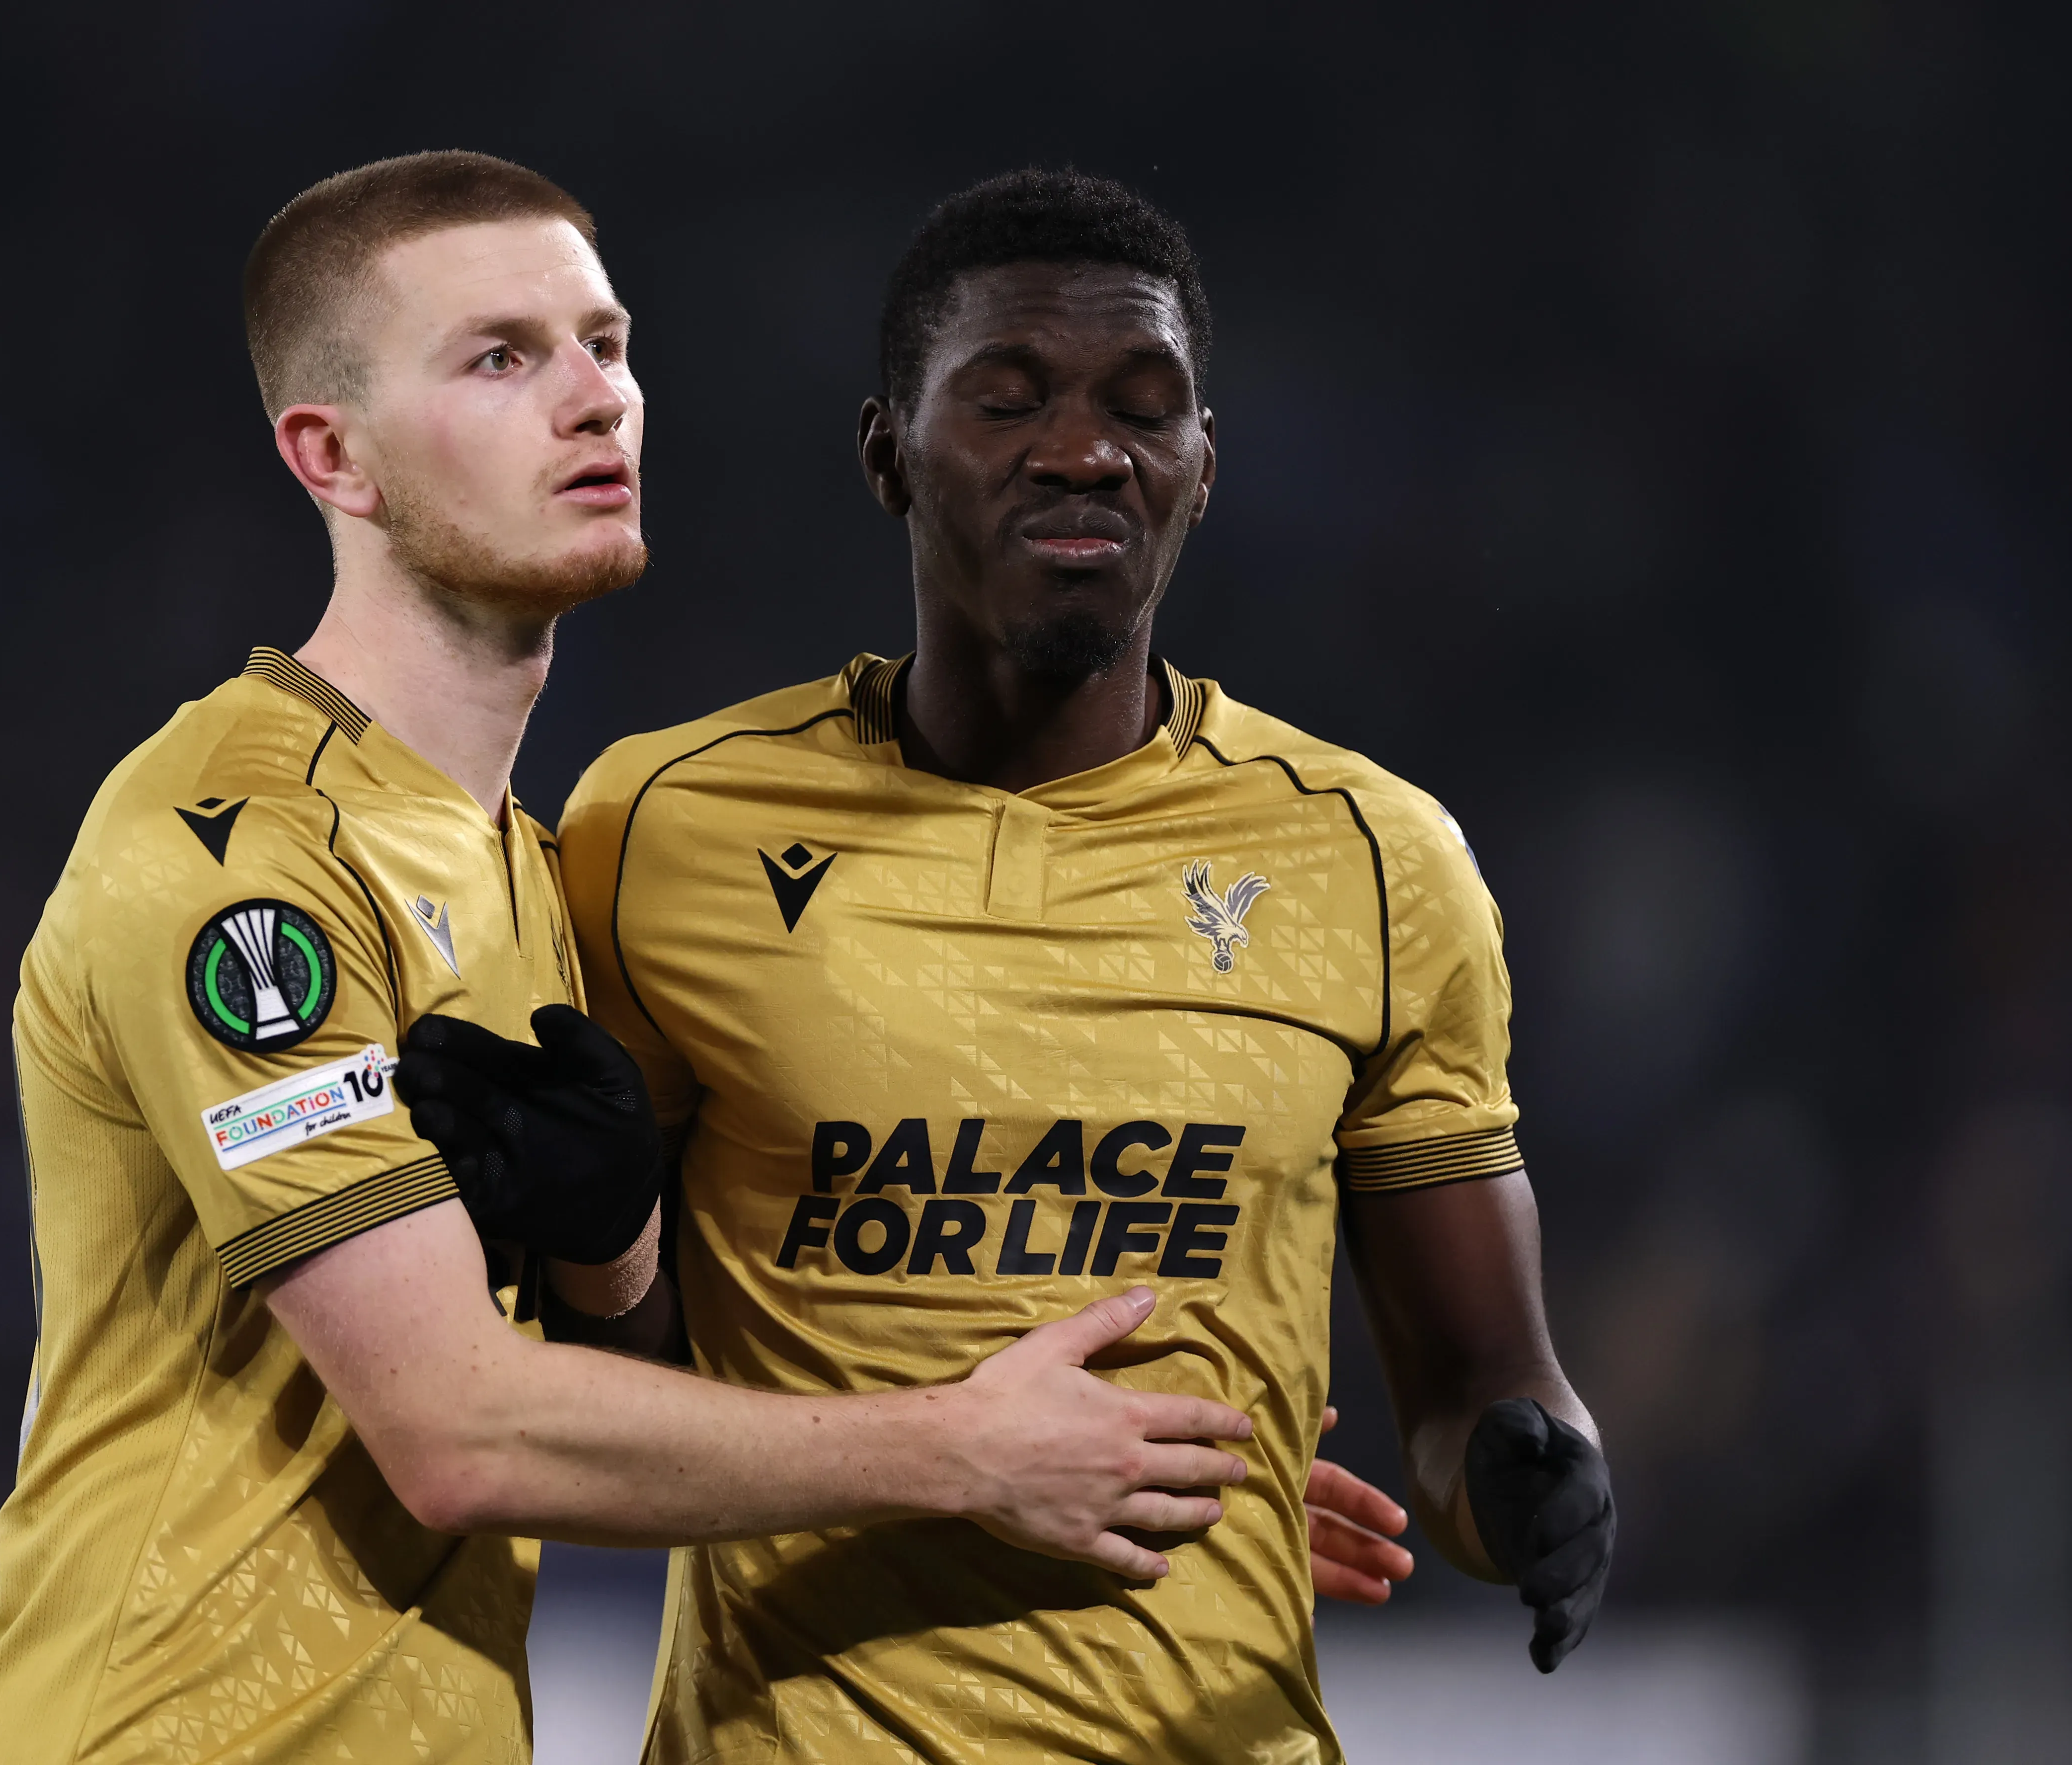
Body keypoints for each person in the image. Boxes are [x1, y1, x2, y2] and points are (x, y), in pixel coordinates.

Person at [0, 153, 1258, 1765]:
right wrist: (973, 1452)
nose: (594, 399)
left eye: (605, 345)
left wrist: (1147, 1462)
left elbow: (623, 1409)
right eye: (501, 358)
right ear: (332, 456)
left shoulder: (525, 868)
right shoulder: (236, 857)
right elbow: (461, 1433)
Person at [525, 170, 1615, 1763]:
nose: (1083, 449)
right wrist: (603, 1251)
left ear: (1201, 469)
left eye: (1141, 408)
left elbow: (1478, 1399)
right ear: (887, 454)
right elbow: (602, 1392)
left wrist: (1530, 1482)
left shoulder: (1374, 861)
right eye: (1008, 399)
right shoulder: (660, 829)